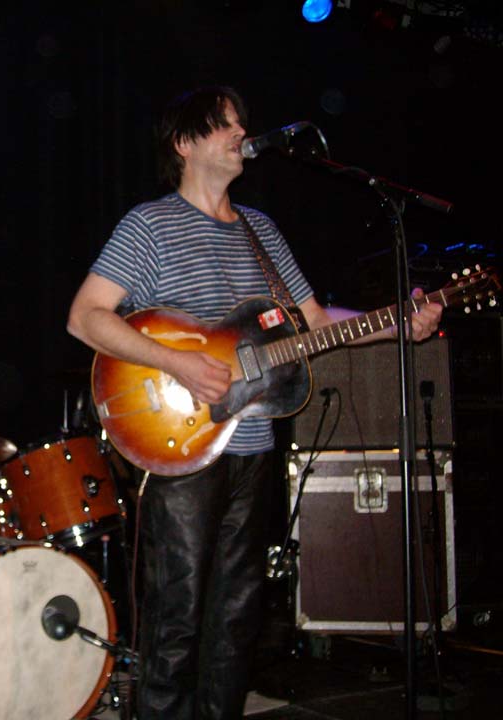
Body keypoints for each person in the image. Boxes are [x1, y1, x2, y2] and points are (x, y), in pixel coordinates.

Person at [66, 86, 442, 719]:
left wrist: (398, 323)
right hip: (180, 446)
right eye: (225, 124)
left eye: (242, 122)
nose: (241, 131)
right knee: (176, 615)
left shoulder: (262, 232)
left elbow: (318, 323)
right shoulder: (149, 224)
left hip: (253, 443)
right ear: (185, 143)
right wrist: (178, 360)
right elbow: (85, 317)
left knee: (237, 617)